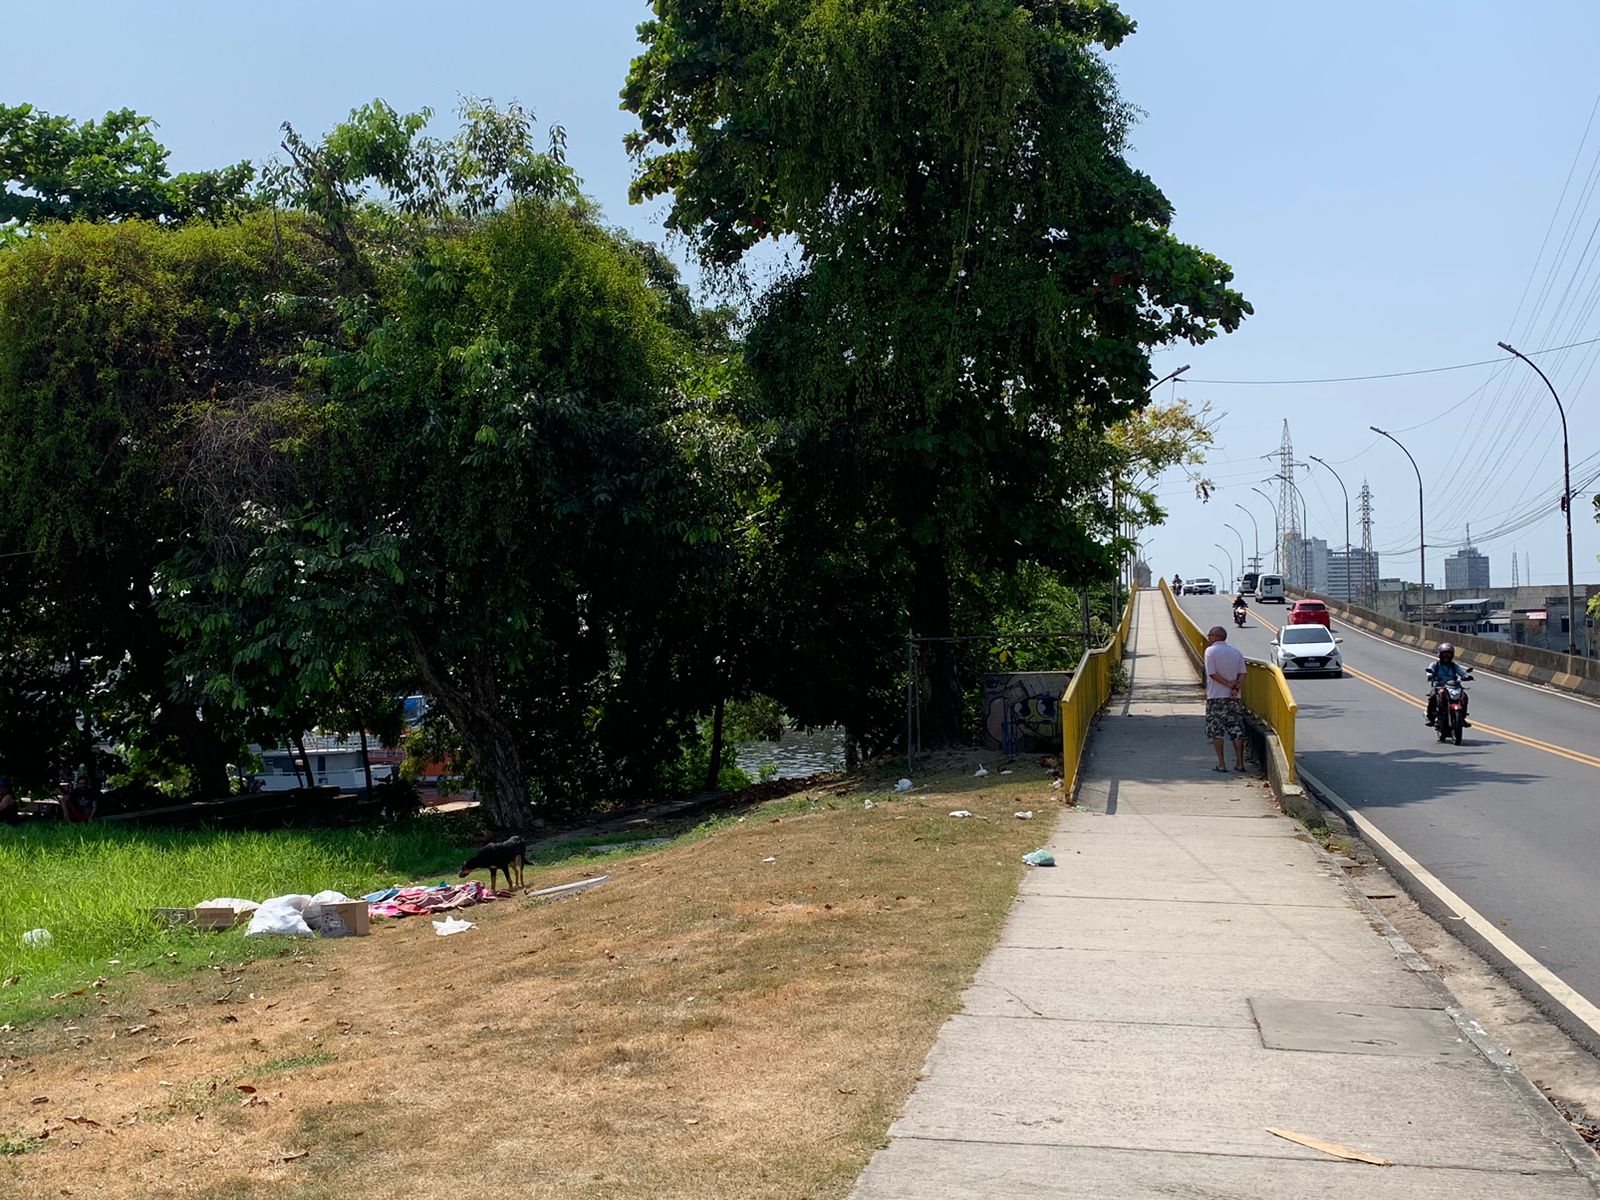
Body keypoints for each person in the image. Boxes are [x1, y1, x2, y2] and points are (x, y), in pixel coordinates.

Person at [1203, 625, 1248, 772]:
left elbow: (1212, 674)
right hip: (1234, 698)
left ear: (1216, 636)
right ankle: (1240, 763)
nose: (1208, 638)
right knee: (1236, 729)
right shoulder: (1236, 652)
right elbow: (1243, 674)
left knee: (1217, 731)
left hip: (1216, 697)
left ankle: (1222, 764)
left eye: (1210, 635)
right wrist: (1235, 688)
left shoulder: (1210, 651)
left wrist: (1228, 685)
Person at [1424, 642, 1471, 728]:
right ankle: (1431, 718)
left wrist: (1467, 676)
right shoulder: (1435, 664)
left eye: (1449, 654)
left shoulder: (1454, 666)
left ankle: (1462, 717)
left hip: (1453, 686)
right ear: (1440, 654)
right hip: (1439, 686)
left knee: (1464, 697)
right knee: (1433, 696)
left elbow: (1462, 673)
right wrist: (1430, 676)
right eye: (1445, 653)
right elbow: (1429, 670)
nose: (1447, 656)